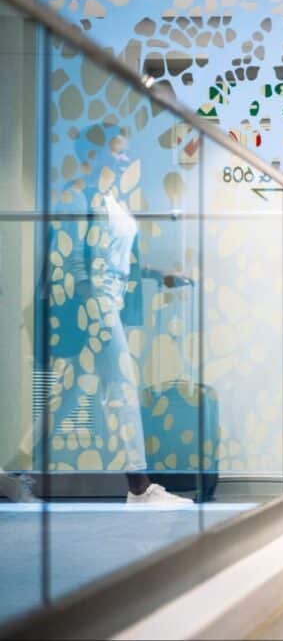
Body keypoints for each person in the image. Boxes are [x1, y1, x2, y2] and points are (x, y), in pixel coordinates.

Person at [0, 125, 191, 505]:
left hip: (109, 304)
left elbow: (118, 260)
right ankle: (140, 488)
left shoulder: (111, 200)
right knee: (122, 390)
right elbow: (72, 257)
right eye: (117, 152)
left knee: (67, 398)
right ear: (95, 154)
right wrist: (94, 310)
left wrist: (158, 275)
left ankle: (12, 475)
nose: (124, 159)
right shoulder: (79, 196)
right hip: (96, 309)